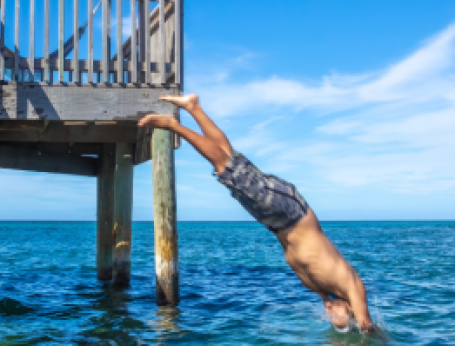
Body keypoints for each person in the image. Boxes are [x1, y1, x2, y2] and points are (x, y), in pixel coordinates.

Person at [139, 94, 377, 334]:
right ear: (350, 308)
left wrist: (332, 315)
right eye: (341, 317)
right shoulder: (351, 286)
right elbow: (367, 325)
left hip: (278, 218)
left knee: (229, 159)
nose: (330, 315)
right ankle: (173, 125)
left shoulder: (324, 292)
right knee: (225, 167)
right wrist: (370, 332)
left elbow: (333, 309)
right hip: (291, 213)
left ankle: (193, 107)